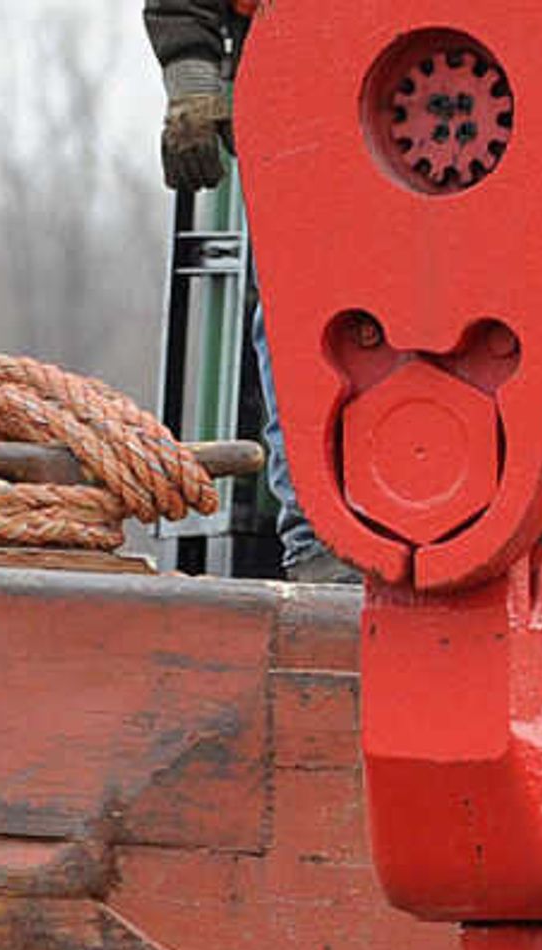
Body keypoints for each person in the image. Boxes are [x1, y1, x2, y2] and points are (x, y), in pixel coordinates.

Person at [146, 0, 348, 583]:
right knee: (300, 315)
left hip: (471, 90)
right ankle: (323, 542)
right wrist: (192, 89)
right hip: (302, 101)